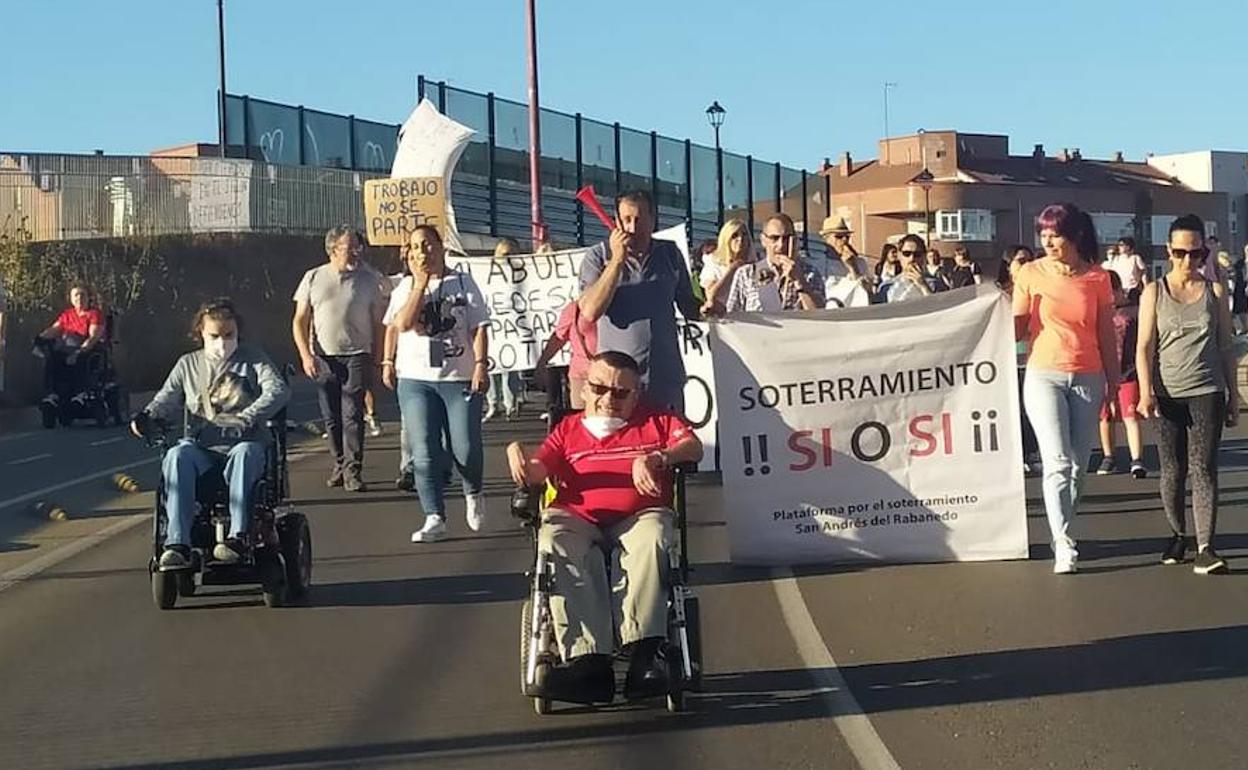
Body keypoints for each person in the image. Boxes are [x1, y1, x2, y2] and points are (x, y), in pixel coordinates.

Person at [506, 351, 703, 703]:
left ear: (635, 395)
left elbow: (693, 447)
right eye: (598, 388)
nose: (607, 398)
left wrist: (658, 457)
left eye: (620, 393)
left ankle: (644, 654)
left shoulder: (656, 420)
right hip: (577, 517)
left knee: (655, 534)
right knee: (555, 539)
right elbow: (539, 470)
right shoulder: (567, 429)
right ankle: (589, 663)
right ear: (583, 389)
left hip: (639, 516)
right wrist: (519, 456)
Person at [133, 299, 290, 569]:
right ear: (201, 334)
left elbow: (277, 390)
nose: (222, 342)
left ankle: (237, 537)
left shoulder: (253, 358)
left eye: (229, 335)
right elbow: (167, 399)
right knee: (176, 455)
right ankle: (176, 543)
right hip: (202, 448)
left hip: (245, 442)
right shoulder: (188, 364)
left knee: (245, 452)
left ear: (238, 333)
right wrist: (148, 416)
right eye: (215, 336)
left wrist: (247, 417)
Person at [1013, 203, 1120, 574]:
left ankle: (1066, 526)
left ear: (1073, 236)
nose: (1047, 241)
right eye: (1042, 234)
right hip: (1044, 373)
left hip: (1088, 376)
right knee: (1056, 462)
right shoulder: (1030, 273)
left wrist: (1113, 380)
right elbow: (1015, 329)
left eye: (1054, 234)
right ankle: (1062, 541)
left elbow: (1106, 332)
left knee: (1079, 466)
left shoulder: (1098, 279)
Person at [1136, 214, 1238, 575]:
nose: (1187, 261)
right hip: (1167, 393)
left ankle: (1205, 547)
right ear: (1168, 251)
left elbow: (1226, 345)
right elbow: (1145, 346)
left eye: (1196, 254)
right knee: (1172, 469)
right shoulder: (1155, 291)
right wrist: (1145, 392)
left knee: (1204, 468)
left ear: (1205, 253)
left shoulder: (1214, 292)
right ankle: (1178, 533)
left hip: (1207, 388)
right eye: (1180, 253)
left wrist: (1234, 396)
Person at [383, 225, 491, 543]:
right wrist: (419, 284)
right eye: (416, 247)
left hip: (458, 377)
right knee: (424, 450)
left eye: (428, 245)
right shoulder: (405, 287)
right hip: (416, 379)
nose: (422, 252)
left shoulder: (463, 281)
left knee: (465, 448)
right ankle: (434, 516)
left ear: (440, 247)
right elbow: (400, 324)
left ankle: (473, 491)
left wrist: (481, 365)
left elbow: (479, 328)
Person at [577, 190, 701, 413]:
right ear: (616, 222)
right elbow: (590, 312)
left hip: (664, 381)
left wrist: (707, 307)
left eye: (639, 219)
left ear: (653, 220)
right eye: (626, 220)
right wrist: (616, 261)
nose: (633, 228)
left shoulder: (670, 254)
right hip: (616, 384)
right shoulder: (597, 257)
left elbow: (688, 305)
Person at [293, 226, 388, 492]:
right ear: (333, 250)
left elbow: (378, 322)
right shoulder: (313, 278)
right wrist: (305, 355)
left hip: (358, 353)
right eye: (350, 247)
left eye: (359, 246)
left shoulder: (369, 279)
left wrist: (380, 358)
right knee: (331, 415)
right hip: (324, 356)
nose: (356, 252)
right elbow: (300, 320)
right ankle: (338, 462)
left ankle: (352, 470)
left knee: (352, 413)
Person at [713, 213, 825, 314]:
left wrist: (799, 281)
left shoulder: (810, 273)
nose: (781, 245)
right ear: (763, 240)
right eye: (774, 238)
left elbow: (820, 317)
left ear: (795, 240)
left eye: (786, 238)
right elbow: (733, 317)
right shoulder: (746, 274)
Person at [1095, 271, 1146, 478]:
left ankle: (1137, 459)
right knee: (1105, 416)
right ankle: (1109, 456)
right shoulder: (1099, 313)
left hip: (1129, 371)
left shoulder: (1134, 312)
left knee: (1130, 415)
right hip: (1103, 371)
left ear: (1117, 290)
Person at [35, 282, 105, 419]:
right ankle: (51, 395)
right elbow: (55, 329)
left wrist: (78, 352)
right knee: (52, 358)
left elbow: (93, 337)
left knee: (80, 357)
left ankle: (81, 394)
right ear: (71, 299)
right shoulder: (67, 315)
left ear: (88, 297)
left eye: (82, 295)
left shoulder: (94, 314)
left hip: (87, 349)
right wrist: (40, 338)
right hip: (67, 349)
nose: (79, 298)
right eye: (76, 295)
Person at [997, 245, 1040, 473]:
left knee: (1031, 408)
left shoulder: (1041, 291)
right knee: (1012, 409)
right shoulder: (999, 295)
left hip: (1035, 359)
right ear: (1009, 265)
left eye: (1030, 260)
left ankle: (1032, 452)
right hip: (1007, 360)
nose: (1027, 265)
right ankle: (1016, 453)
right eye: (1021, 261)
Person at [485, 238, 525, 421]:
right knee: (491, 366)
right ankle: (493, 404)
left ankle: (511, 404)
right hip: (494, 326)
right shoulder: (488, 275)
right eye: (504, 254)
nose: (508, 258)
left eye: (511, 254)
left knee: (511, 367)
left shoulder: (524, 272)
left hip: (513, 327)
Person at [535, 297, 598, 411]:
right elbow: (558, 338)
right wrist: (542, 362)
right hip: (582, 376)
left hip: (612, 375)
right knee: (582, 420)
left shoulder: (620, 305)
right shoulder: (574, 309)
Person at [698, 219, 755, 316]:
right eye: (734, 236)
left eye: (744, 235)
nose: (740, 239)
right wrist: (732, 270)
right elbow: (711, 296)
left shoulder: (755, 265)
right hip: (725, 320)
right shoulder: (713, 263)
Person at [819, 216, 873, 307]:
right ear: (826, 239)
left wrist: (853, 267)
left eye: (847, 237)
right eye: (839, 237)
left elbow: (867, 293)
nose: (844, 240)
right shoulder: (819, 264)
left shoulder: (860, 263)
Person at [877, 234, 933, 303]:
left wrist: (923, 286)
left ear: (924, 256)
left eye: (917, 254)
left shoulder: (936, 284)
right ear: (899, 255)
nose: (911, 258)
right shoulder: (887, 287)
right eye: (906, 253)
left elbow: (940, 310)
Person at [1104, 236, 1149, 303]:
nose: (1119, 247)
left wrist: (1146, 288)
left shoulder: (1135, 258)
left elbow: (1144, 273)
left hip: (1133, 291)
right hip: (1120, 291)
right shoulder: (1116, 259)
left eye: (1121, 245)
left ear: (1128, 247)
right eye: (1119, 245)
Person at [1232, 246, 1248, 334]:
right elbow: (1235, 275)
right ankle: (1245, 328)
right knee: (1241, 309)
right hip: (1241, 289)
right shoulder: (1239, 264)